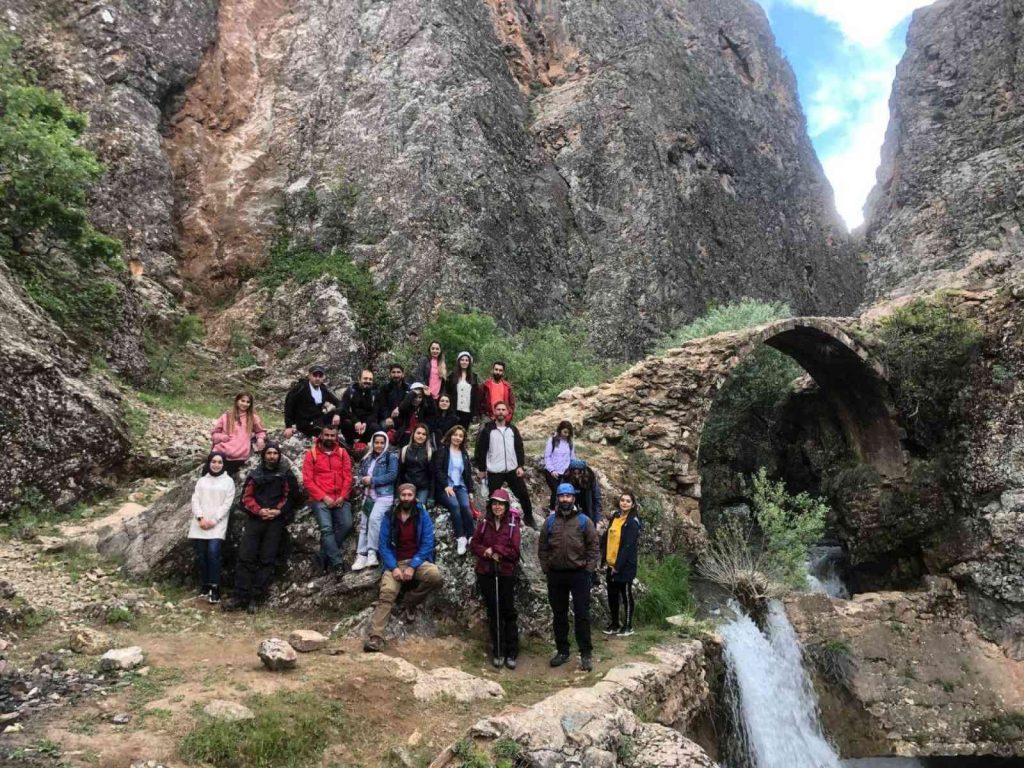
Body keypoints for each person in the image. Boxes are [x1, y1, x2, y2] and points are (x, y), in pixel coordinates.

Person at [363, 483, 442, 653]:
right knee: (387, 593)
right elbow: (383, 546)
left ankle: (410, 601)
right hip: (395, 562)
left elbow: (428, 543)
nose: (406, 498)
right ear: (399, 497)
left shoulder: (422, 515)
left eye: (409, 495)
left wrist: (413, 566)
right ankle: (376, 637)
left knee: (435, 575)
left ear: (414, 497)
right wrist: (394, 567)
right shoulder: (389, 515)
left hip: (417, 560)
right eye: (403, 495)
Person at [225, 443, 297, 612]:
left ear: (279, 456)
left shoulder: (286, 474)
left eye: (275, 453)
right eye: (269, 453)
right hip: (255, 520)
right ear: (264, 455)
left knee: (267, 559)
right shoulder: (255, 474)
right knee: (245, 557)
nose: (272, 456)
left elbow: (291, 496)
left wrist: (277, 511)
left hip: (275, 522)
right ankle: (239, 596)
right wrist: (259, 511)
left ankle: (255, 598)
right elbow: (246, 498)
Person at [538, 483, 600, 671]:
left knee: (582, 615)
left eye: (568, 496)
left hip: (579, 574)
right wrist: (546, 568)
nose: (565, 499)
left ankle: (586, 653)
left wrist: (588, 570)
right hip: (556, 574)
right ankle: (563, 651)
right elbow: (542, 547)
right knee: (559, 614)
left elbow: (594, 547)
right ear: (557, 498)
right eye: (562, 496)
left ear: (574, 498)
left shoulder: (584, 521)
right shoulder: (549, 521)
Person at [470, 489, 521, 669]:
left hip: (505, 572)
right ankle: (498, 650)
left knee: (508, 611)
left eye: (500, 504)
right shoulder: (484, 522)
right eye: (494, 503)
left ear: (506, 506)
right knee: (493, 611)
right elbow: (474, 543)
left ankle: (512, 651)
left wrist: (497, 550)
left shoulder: (513, 523)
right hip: (486, 571)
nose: (497, 507)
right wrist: (486, 552)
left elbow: (515, 551)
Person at [302, 425, 353, 574]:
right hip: (320, 499)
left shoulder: (343, 453)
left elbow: (348, 477)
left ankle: (321, 556)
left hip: (340, 498)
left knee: (347, 524)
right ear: (321, 436)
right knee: (326, 529)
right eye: (327, 435)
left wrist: (343, 496)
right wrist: (324, 497)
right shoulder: (311, 454)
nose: (330, 438)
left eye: (333, 435)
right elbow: (307, 480)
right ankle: (337, 563)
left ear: (336, 437)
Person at [474, 402, 535, 527]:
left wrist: (520, 466)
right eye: (498, 409)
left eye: (503, 409)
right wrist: (482, 469)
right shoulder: (487, 430)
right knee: (493, 499)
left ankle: (529, 518)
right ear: (494, 411)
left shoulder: (512, 429)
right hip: (495, 471)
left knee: (523, 495)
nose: (501, 412)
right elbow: (481, 450)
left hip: (513, 470)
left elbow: (519, 448)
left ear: (507, 412)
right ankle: (491, 523)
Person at [188, 451, 235, 604]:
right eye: (213, 462)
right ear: (209, 463)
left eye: (219, 462)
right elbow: (195, 500)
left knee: (213, 552)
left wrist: (214, 520)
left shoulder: (228, 482)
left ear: (224, 464)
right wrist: (201, 518)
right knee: (202, 555)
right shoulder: (202, 481)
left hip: (217, 523)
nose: (216, 465)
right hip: (200, 522)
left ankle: (215, 587)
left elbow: (227, 504)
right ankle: (205, 584)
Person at [352, 431, 398, 571]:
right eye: (376, 442)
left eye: (381, 443)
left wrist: (373, 480)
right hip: (369, 496)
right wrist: (361, 482)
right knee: (364, 524)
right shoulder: (367, 458)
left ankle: (372, 552)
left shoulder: (391, 457)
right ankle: (361, 554)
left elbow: (392, 475)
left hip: (384, 496)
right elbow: (360, 475)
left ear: (385, 444)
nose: (378, 445)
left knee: (374, 520)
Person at [602, 492, 642, 637]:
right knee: (612, 595)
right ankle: (614, 624)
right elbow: (607, 538)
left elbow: (627, 546)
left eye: (628, 501)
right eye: (622, 500)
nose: (624, 503)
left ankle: (628, 625)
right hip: (610, 563)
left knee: (626, 595)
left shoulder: (633, 522)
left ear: (633, 505)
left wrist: (617, 567)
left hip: (625, 566)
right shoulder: (615, 517)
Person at [435, 425, 475, 555]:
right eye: (455, 435)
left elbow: (467, 474)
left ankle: (471, 536)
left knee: (465, 506)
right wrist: (445, 485)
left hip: (460, 486)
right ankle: (460, 537)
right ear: (450, 435)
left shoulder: (464, 454)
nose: (457, 438)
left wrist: (470, 491)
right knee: (455, 505)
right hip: (445, 487)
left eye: (460, 436)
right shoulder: (443, 450)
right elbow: (438, 470)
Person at [211, 392, 267, 476]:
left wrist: (260, 439)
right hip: (220, 453)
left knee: (227, 483)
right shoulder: (226, 416)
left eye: (248, 402)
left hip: (239, 457)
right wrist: (222, 437)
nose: (245, 404)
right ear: (237, 401)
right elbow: (214, 434)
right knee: (209, 480)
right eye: (242, 401)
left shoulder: (253, 418)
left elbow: (260, 431)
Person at [284, 365, 341, 439]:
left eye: (320, 376)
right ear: (309, 376)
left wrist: (337, 414)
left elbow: (338, 402)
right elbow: (289, 405)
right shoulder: (300, 388)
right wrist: (288, 426)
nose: (317, 378)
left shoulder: (323, 389)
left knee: (343, 413)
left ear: (323, 377)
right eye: (315, 375)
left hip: (319, 420)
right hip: (305, 423)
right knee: (324, 434)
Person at [340, 369, 382, 448]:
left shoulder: (375, 393)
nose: (368, 381)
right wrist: (356, 421)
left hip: (367, 423)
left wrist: (365, 423)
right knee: (346, 423)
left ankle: (363, 445)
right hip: (353, 421)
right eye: (365, 378)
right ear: (359, 379)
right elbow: (345, 408)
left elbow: (375, 412)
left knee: (375, 427)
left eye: (370, 379)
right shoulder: (350, 391)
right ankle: (349, 444)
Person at [542, 421, 576, 508]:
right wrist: (552, 470)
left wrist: (572, 470)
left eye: (568, 433)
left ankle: (562, 509)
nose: (566, 434)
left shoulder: (570, 443)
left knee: (564, 492)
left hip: (564, 473)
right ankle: (552, 510)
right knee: (556, 490)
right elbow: (547, 456)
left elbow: (572, 458)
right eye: (565, 432)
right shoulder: (552, 440)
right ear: (560, 430)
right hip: (551, 472)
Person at [398, 424, 433, 508]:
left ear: (427, 437)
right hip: (407, 486)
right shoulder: (405, 450)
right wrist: (397, 493)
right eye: (418, 433)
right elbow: (400, 472)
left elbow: (432, 476)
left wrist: (431, 497)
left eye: (424, 434)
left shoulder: (430, 452)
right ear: (413, 434)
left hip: (422, 487)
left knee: (419, 509)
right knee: (405, 508)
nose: (420, 436)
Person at [446, 351, 480, 430]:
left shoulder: (473, 377)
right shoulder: (452, 376)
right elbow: (448, 392)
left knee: (463, 433)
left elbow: (475, 396)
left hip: (467, 411)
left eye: (466, 360)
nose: (464, 362)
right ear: (459, 361)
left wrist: (475, 412)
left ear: (469, 362)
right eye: (462, 360)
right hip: (454, 410)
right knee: (451, 432)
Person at [394, 382, 435, 447]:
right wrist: (413, 393)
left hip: (420, 435)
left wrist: (429, 396)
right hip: (406, 435)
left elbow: (433, 412)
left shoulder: (424, 408)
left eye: (420, 397)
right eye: (415, 397)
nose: (417, 400)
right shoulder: (406, 407)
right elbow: (402, 408)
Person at [564, 458, 603, 526]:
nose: (576, 476)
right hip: (571, 503)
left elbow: (597, 498)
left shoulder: (590, 478)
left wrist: (598, 518)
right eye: (574, 473)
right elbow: (560, 495)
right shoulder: (566, 477)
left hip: (587, 502)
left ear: (583, 472)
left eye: (579, 473)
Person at [378, 363, 410, 433]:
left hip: (403, 418)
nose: (396, 375)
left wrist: (399, 409)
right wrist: (388, 417)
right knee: (384, 426)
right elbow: (383, 406)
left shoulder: (407, 388)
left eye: (398, 372)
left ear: (403, 374)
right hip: (388, 418)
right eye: (393, 372)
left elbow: (408, 404)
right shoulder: (384, 388)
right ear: (390, 374)